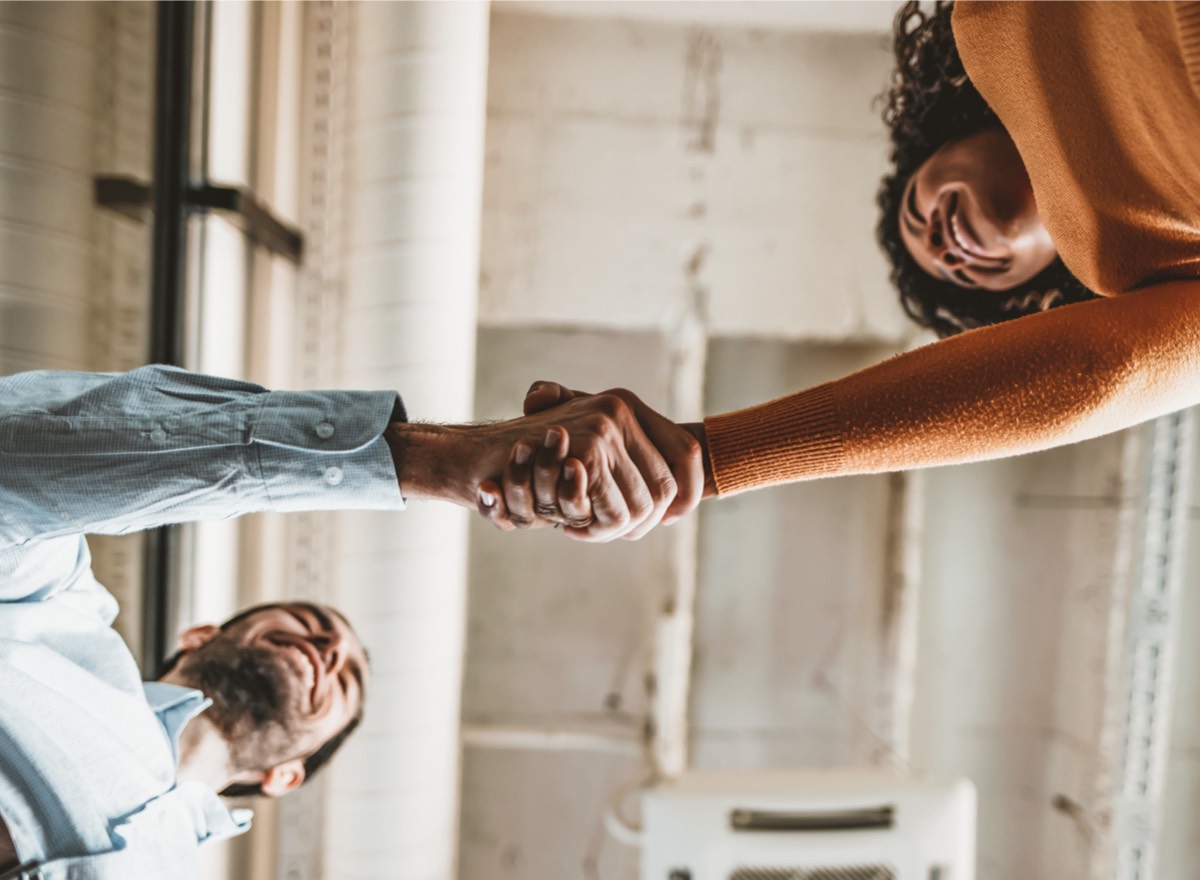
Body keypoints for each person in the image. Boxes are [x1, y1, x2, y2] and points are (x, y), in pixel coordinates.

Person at [478, 0, 1200, 538]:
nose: (944, 248)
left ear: (935, 143)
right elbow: (1099, 371)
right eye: (963, 274)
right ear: (1039, 291)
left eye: (917, 215)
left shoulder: (992, 23)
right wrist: (710, 455)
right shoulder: (1149, 273)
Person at [0, 364, 680, 879]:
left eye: (344, 677)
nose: (328, 646)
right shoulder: (52, 613)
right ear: (200, 636)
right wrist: (424, 459)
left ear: (287, 776)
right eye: (306, 621)